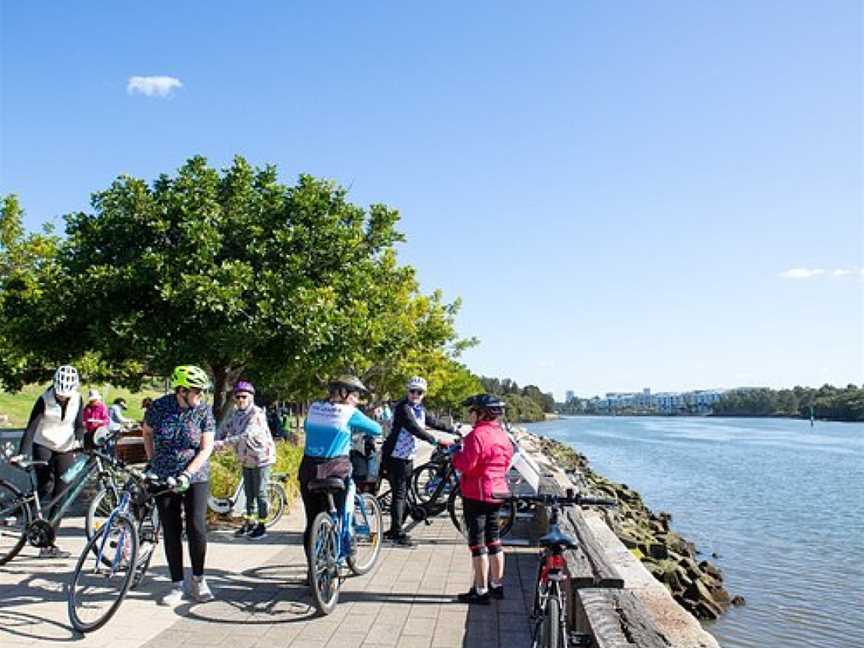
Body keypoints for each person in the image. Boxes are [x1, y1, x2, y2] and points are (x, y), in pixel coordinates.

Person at [142, 365, 216, 605]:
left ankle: (198, 579)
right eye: (197, 391)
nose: (201, 396)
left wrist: (187, 473)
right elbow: (147, 433)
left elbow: (206, 447)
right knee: (170, 528)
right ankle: (176, 584)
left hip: (195, 475)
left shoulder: (203, 410)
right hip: (163, 474)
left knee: (196, 526)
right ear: (182, 390)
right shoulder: (160, 407)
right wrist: (152, 461)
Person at [300, 375, 381, 576]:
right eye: (355, 394)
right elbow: (377, 429)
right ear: (344, 394)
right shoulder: (349, 412)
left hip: (308, 470)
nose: (356, 399)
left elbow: (308, 428)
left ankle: (313, 571)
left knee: (312, 521)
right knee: (337, 513)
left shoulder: (313, 408)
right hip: (336, 469)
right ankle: (341, 549)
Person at [16, 365, 85, 558]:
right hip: (44, 444)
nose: (62, 397)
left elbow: (79, 425)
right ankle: (26, 513)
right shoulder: (44, 399)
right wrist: (23, 453)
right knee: (45, 485)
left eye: (66, 394)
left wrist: (80, 439)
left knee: (62, 493)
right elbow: (31, 428)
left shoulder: (78, 399)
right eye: (60, 393)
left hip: (66, 447)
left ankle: (48, 541)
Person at [380, 377, 457, 546]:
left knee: (405, 491)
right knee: (400, 493)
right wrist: (436, 441)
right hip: (395, 456)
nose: (415, 394)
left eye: (419, 392)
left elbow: (433, 422)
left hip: (407, 456)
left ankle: (396, 528)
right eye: (412, 391)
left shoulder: (420, 409)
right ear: (407, 391)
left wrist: (454, 430)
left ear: (424, 394)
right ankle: (397, 532)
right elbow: (414, 428)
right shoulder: (403, 408)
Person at [452, 394, 514, 604]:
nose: (469, 415)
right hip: (497, 492)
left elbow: (465, 464)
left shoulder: (475, 435)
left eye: (472, 411)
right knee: (494, 539)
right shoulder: (503, 436)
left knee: (477, 543)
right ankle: (497, 585)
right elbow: (506, 464)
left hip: (476, 492)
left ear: (481, 413)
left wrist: (455, 455)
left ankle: (480, 590)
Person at [215, 381, 275, 540]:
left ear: (251, 397)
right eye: (237, 397)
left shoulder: (256, 414)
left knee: (260, 493)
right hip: (245, 458)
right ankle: (249, 523)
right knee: (248, 494)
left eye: (244, 396)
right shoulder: (235, 414)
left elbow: (246, 435)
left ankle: (262, 526)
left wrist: (224, 443)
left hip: (261, 458)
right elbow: (224, 428)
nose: (240, 399)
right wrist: (214, 440)